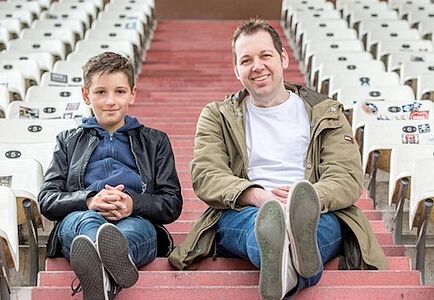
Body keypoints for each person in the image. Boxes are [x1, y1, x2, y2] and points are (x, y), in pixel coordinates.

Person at [168, 19, 387, 299]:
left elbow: (345, 177)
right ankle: (290, 257)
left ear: (283, 58)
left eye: (265, 55)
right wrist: (257, 196)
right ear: (237, 70)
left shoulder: (326, 112)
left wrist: (307, 198)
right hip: (244, 211)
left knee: (310, 229)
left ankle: (283, 270)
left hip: (319, 212)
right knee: (261, 228)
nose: (257, 66)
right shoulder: (217, 116)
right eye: (246, 60)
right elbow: (207, 175)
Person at [39, 52, 183, 300]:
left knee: (133, 233)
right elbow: (48, 199)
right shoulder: (68, 141)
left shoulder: (155, 141)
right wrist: (89, 200)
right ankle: (108, 268)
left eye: (119, 92)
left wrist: (132, 203)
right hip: (81, 217)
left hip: (136, 220)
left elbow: (171, 203)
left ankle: (102, 273)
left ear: (132, 94)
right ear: (86, 95)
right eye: (101, 92)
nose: (110, 101)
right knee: (86, 226)